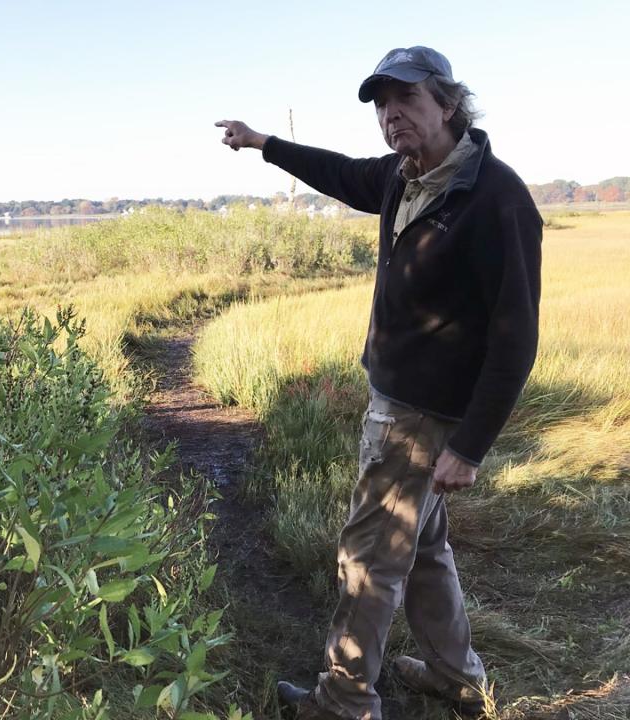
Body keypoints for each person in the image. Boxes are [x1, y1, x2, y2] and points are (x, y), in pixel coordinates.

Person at [215, 46, 542, 720]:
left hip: (421, 420)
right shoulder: (404, 176)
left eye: (408, 100)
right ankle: (458, 678)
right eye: (382, 105)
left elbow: (516, 338)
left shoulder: (494, 198)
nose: (393, 116)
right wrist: (262, 144)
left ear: (449, 103)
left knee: (369, 560)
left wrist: (471, 445)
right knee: (421, 550)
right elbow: (338, 172)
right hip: (396, 402)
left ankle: (343, 700)